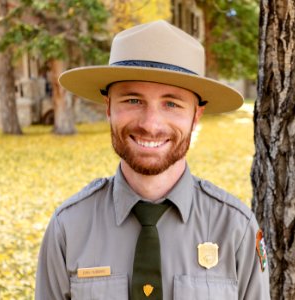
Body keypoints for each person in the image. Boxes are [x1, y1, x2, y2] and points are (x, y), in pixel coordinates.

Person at [35, 20, 270, 300]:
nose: (151, 124)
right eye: (133, 100)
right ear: (108, 106)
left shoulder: (236, 230)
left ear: (196, 116)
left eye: (171, 104)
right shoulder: (68, 229)